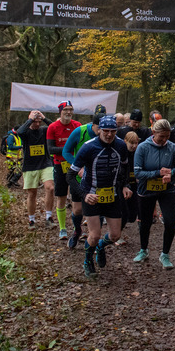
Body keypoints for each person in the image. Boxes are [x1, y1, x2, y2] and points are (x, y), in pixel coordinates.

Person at [70, 115, 132, 278]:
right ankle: (88, 259)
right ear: (99, 130)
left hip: (112, 194)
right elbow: (70, 175)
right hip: (91, 194)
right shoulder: (88, 147)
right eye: (106, 131)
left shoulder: (120, 146)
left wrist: (125, 185)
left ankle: (100, 247)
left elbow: (125, 167)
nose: (109, 134)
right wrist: (84, 195)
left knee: (115, 235)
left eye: (113, 131)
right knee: (95, 234)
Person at [132, 118, 175, 269]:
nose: (164, 140)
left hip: (166, 190)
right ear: (153, 132)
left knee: (170, 222)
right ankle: (143, 249)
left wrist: (172, 173)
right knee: (145, 222)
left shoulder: (172, 147)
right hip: (146, 190)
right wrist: (157, 173)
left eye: (167, 137)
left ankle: (165, 255)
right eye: (161, 136)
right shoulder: (142, 148)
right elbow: (137, 173)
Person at [61, 104, 107, 249]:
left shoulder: (108, 136)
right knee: (78, 210)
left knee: (97, 208)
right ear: (94, 126)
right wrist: (78, 166)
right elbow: (66, 151)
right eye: (100, 129)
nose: (103, 133)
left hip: (98, 180)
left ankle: (93, 239)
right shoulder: (79, 131)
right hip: (79, 178)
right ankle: (77, 230)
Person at [47, 101, 82, 240]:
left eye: (71, 109)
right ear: (60, 111)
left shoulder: (77, 126)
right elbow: (51, 149)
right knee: (61, 196)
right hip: (59, 164)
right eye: (66, 110)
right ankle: (62, 228)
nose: (68, 112)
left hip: (75, 165)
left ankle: (76, 228)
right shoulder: (52, 127)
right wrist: (68, 149)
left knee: (76, 197)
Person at [17, 110, 55, 228]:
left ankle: (49, 217)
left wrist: (44, 118)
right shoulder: (26, 132)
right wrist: (30, 119)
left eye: (39, 122)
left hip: (45, 164)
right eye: (35, 121)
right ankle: (31, 219)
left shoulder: (44, 130)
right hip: (30, 166)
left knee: (50, 188)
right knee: (32, 193)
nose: (37, 124)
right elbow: (19, 131)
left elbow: (54, 127)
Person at [2, 124, 23, 188]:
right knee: (15, 171)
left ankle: (10, 184)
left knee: (15, 171)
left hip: (17, 157)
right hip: (11, 157)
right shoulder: (11, 137)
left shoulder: (18, 136)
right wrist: (21, 146)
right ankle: (11, 182)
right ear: (16, 130)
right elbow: (10, 147)